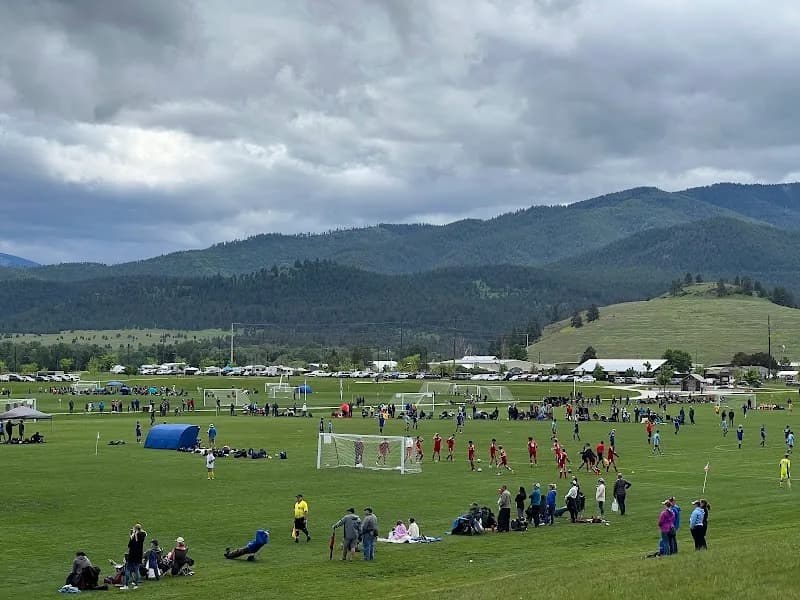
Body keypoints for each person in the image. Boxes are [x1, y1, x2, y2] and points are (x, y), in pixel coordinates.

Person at [122, 523, 146, 590]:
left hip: (132, 554)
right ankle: (136, 585)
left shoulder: (133, 536)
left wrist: (131, 535)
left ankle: (126, 585)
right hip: (139, 555)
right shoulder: (142, 535)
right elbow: (144, 533)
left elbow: (129, 545)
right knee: (137, 570)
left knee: (128, 569)